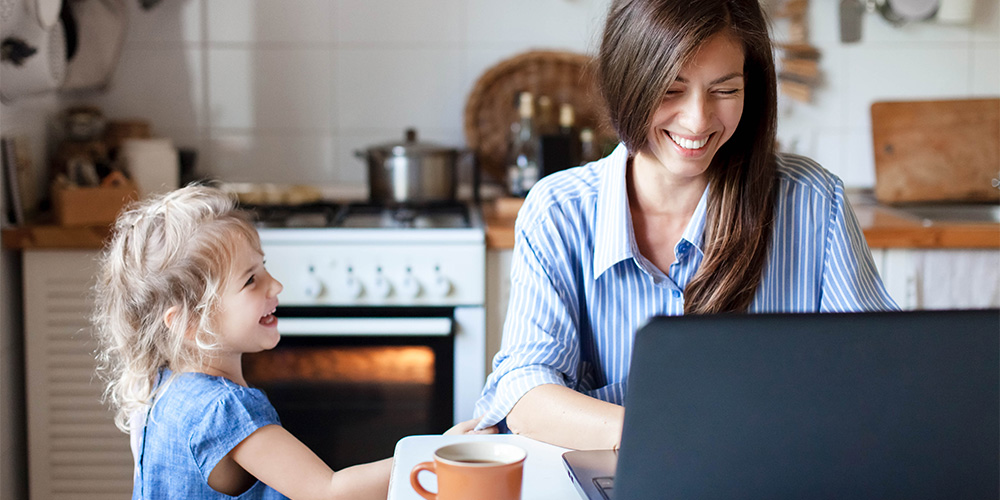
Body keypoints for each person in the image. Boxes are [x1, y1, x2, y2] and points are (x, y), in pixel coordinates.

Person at [473, 0, 897, 450]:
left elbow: (880, 371)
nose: (698, 120)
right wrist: (671, 435)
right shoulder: (558, 209)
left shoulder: (812, 202)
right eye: (672, 89)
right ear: (627, 83)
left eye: (725, 90)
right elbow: (524, 392)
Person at [92, 185, 493, 500]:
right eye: (251, 280)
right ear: (190, 322)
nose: (276, 285)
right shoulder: (225, 411)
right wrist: (440, 455)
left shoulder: (162, 388)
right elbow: (328, 492)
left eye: (264, 267)